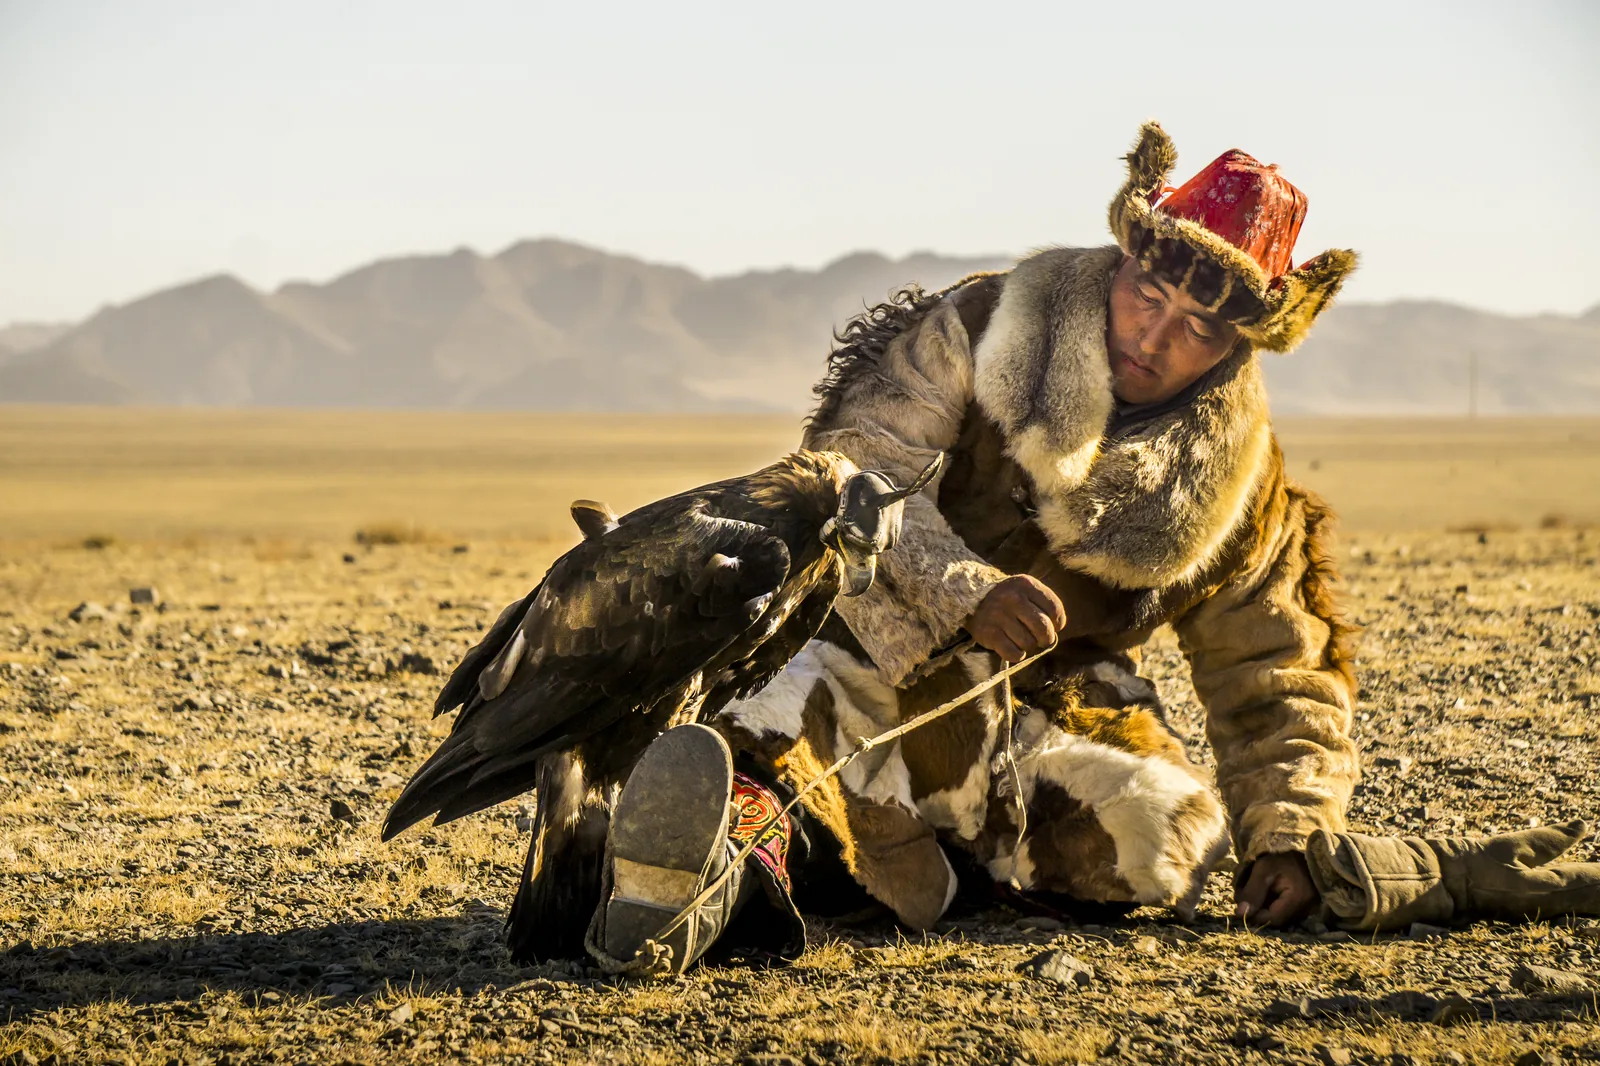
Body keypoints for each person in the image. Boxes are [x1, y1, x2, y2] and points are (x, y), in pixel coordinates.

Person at [583, 122, 1599, 977]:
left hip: (1037, 708)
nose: (1154, 335)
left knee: (1158, 843)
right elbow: (853, 464)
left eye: (1198, 325)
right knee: (786, 711)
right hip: (870, 634)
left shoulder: (1240, 485)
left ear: (1240, 345)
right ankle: (710, 872)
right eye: (1147, 293)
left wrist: (1284, 834)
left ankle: (920, 867)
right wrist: (963, 585)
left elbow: (1275, 671)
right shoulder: (985, 323)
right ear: (1123, 260)